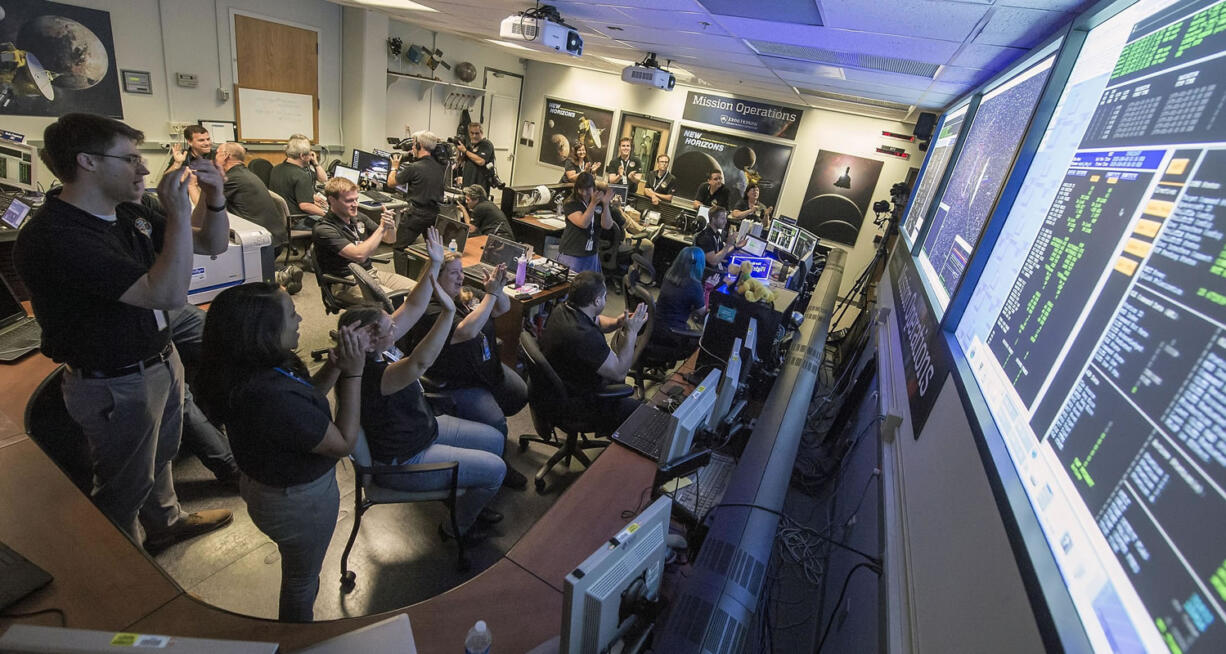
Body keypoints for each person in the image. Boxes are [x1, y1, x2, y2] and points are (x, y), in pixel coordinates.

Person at [14, 112, 233, 549]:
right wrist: (174, 210)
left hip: (158, 359)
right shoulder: (57, 236)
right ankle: (130, 576)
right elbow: (167, 293)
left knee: (162, 457)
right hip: (116, 381)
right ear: (87, 162)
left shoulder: (128, 211)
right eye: (131, 158)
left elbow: (212, 243)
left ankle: (167, 523)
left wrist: (214, 197)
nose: (145, 168)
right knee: (123, 486)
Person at [195, 282, 368, 622]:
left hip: (271, 489)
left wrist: (333, 365)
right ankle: (295, 638)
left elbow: (305, 404)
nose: (301, 317)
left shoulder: (252, 369)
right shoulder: (270, 396)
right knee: (302, 582)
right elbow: (344, 442)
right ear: (263, 331)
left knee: (300, 572)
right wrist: (354, 372)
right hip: (298, 503)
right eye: (291, 313)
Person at [341, 228, 508, 545]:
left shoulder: (377, 347)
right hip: (407, 457)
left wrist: (433, 265)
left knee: (495, 438)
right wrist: (447, 311)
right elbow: (420, 362)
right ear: (371, 339)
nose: (394, 323)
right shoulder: (374, 375)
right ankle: (456, 526)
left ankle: (472, 496)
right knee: (497, 469)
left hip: (423, 426)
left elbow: (414, 306)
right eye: (387, 324)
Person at [405, 251, 529, 488]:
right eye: (454, 272)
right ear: (434, 277)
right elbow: (465, 331)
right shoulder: (429, 309)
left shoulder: (464, 296)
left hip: (486, 368)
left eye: (461, 271)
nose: (461, 277)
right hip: (459, 381)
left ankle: (482, 439)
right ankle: (500, 464)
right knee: (496, 421)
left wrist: (497, 289)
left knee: (520, 392)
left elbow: (501, 308)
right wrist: (490, 295)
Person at [540, 271, 647, 436]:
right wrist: (632, 332)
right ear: (597, 301)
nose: (606, 300)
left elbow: (596, 320)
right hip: (578, 404)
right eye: (604, 296)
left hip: (555, 391)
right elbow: (619, 372)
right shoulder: (584, 336)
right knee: (642, 416)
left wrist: (618, 323)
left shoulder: (563, 309)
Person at [166, 304, 241, 487]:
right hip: (118, 324)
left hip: (156, 306)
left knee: (225, 343)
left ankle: (219, 420)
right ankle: (231, 468)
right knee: (174, 393)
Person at [311, 177, 414, 304]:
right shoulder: (324, 229)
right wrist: (382, 228)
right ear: (332, 200)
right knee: (401, 304)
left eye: (356, 199)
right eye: (349, 201)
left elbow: (390, 239)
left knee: (421, 291)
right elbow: (359, 255)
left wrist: (389, 225)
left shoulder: (358, 217)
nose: (355, 204)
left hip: (371, 273)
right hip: (346, 282)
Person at [215, 142, 287, 254]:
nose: (214, 158)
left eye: (217, 153)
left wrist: (192, 184)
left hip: (262, 244)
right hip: (274, 238)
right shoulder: (244, 174)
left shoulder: (232, 178)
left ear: (225, 156)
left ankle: (280, 272)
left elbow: (206, 205)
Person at [388, 130, 445, 250]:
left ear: (420, 146)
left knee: (399, 248)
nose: (412, 147)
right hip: (434, 213)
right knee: (432, 249)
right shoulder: (440, 166)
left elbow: (391, 183)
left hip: (416, 214)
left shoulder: (414, 168)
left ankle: (401, 270)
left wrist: (394, 167)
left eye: (414, 144)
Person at [653, 246, 708, 350]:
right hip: (671, 333)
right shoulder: (695, 286)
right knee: (702, 340)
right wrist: (708, 290)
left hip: (655, 325)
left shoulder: (670, 274)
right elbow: (702, 312)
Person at [558, 172, 614, 273]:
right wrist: (592, 204)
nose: (584, 193)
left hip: (591, 253)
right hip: (573, 252)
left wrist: (605, 205)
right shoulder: (571, 203)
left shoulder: (599, 202)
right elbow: (583, 223)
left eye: (587, 189)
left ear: (593, 188)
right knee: (572, 285)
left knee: (591, 286)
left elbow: (607, 225)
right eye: (581, 189)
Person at [269, 134, 327, 218]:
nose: (311, 155)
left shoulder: (276, 169)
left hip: (281, 218)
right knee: (334, 224)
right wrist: (328, 214)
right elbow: (305, 206)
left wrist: (315, 163)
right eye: (309, 153)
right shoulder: (302, 175)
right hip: (297, 220)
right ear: (302, 156)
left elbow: (323, 179)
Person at [694, 206, 746, 270]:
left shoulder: (717, 234)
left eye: (725, 218)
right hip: (707, 274)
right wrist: (728, 245)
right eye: (722, 218)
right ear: (713, 219)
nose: (725, 221)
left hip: (716, 271)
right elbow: (713, 261)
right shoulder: (705, 237)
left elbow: (722, 255)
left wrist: (736, 247)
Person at [455, 122, 496, 192]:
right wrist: (459, 151)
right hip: (467, 184)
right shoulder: (469, 146)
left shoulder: (486, 144)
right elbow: (459, 164)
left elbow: (481, 161)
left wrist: (465, 151)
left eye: (477, 133)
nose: (474, 136)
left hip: (480, 186)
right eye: (472, 133)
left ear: (481, 133)